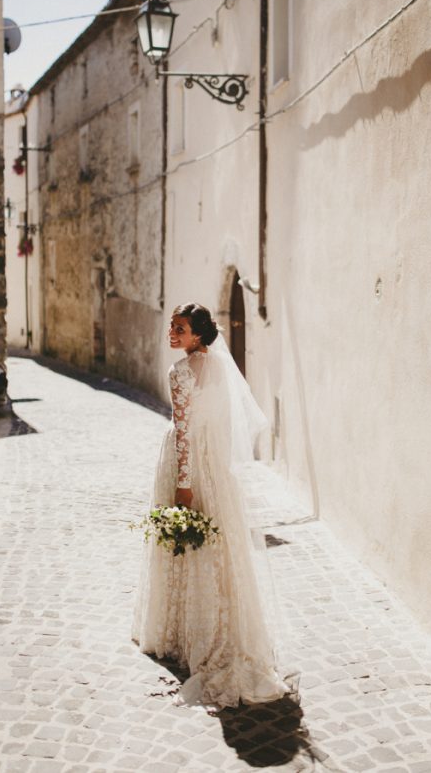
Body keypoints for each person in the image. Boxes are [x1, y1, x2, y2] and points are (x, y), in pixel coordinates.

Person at [132, 302, 289, 709]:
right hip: (216, 466)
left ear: (198, 335)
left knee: (189, 539)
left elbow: (183, 430)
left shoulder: (180, 372)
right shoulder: (218, 367)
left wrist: (184, 485)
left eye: (180, 329)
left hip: (188, 463)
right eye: (172, 326)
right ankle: (219, 622)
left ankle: (186, 631)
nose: (172, 333)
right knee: (221, 543)